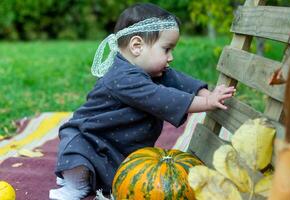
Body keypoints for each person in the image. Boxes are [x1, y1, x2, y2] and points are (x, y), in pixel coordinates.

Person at [49, 2, 235, 200]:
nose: (171, 57)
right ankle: (76, 184)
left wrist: (209, 95)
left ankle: (91, 174)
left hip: (121, 144)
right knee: (77, 151)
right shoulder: (122, 77)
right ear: (137, 46)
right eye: (167, 49)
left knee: (123, 173)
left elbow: (183, 82)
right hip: (93, 137)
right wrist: (206, 104)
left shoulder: (154, 71)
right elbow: (163, 99)